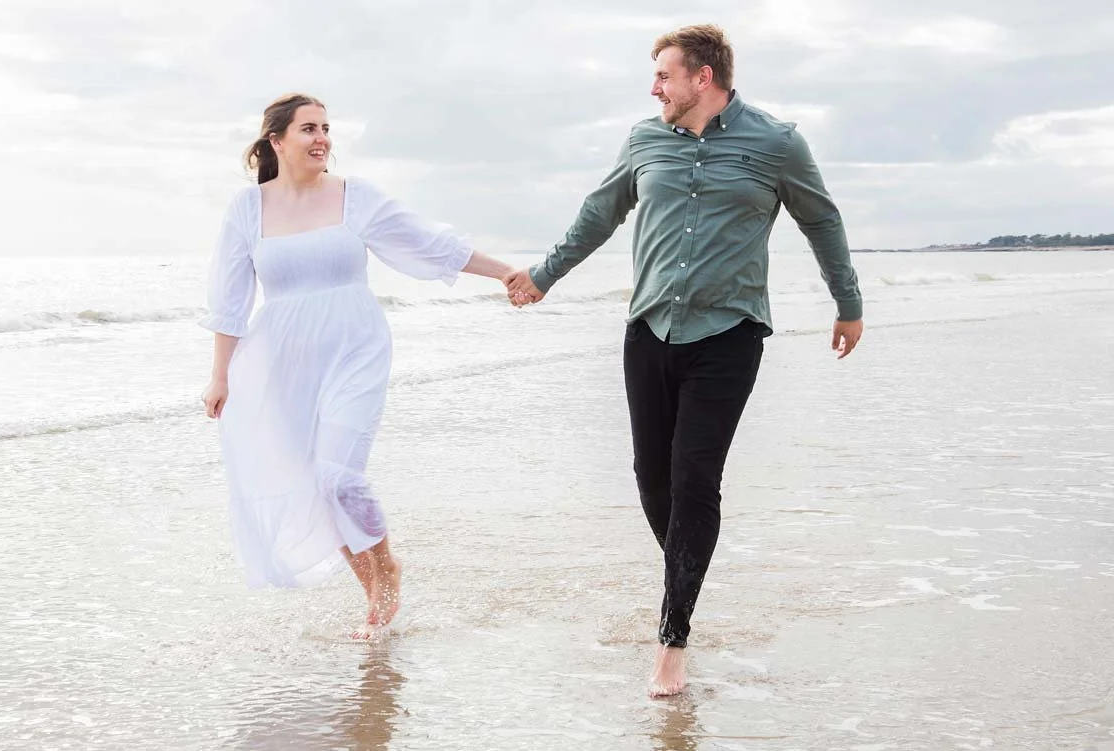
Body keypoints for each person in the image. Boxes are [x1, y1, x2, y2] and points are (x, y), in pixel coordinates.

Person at [504, 24, 865, 696]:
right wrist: (545, 273)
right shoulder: (644, 140)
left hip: (730, 334)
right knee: (652, 478)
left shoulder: (776, 142)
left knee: (695, 479)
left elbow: (822, 219)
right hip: (649, 332)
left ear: (704, 77)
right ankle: (686, 571)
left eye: (664, 76)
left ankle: (672, 638)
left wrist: (847, 302)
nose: (654, 88)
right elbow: (598, 213)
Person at [200, 93, 518, 639]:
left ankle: (386, 565)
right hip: (285, 362)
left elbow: (429, 242)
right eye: (308, 129)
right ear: (276, 141)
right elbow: (230, 298)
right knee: (317, 483)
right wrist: (220, 374)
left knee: (338, 474)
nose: (322, 138)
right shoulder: (246, 209)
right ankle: (369, 585)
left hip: (355, 349)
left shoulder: (354, 197)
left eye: (325, 128)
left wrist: (506, 273)